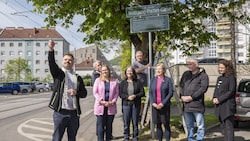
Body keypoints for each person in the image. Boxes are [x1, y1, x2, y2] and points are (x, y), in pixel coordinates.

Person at [48, 39, 88, 141]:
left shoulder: (78, 77)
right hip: (60, 112)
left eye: (70, 60)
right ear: (62, 61)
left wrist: (76, 92)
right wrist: (51, 49)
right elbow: (52, 64)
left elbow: (84, 93)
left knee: (72, 138)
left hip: (74, 113)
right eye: (65, 59)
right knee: (57, 138)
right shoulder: (59, 74)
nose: (67, 61)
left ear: (73, 62)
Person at [179, 59, 209, 141]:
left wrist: (192, 97)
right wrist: (181, 96)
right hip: (186, 105)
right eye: (187, 64)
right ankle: (190, 138)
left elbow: (203, 88)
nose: (188, 66)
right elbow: (181, 85)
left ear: (196, 65)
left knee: (200, 125)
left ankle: (199, 139)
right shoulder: (186, 74)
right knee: (189, 124)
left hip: (197, 104)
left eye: (190, 64)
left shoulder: (203, 75)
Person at [93, 64, 119, 141]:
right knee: (100, 126)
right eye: (103, 70)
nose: (105, 71)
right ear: (101, 71)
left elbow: (116, 93)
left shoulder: (114, 81)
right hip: (100, 106)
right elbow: (95, 92)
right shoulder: (98, 80)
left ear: (109, 71)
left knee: (109, 126)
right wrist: (102, 101)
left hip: (111, 106)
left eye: (106, 70)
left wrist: (113, 101)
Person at [119, 66, 145, 141]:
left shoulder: (138, 82)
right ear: (125, 73)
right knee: (126, 122)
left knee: (135, 122)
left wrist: (135, 96)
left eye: (131, 71)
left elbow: (142, 92)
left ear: (133, 72)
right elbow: (120, 94)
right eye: (128, 71)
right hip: (126, 105)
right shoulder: (123, 83)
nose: (129, 73)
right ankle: (126, 137)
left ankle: (135, 137)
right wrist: (127, 97)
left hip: (136, 105)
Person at [149, 63, 174, 141]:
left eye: (159, 69)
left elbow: (170, 93)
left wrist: (163, 103)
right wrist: (153, 102)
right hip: (155, 106)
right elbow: (150, 92)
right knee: (158, 124)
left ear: (163, 70)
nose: (158, 70)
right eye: (157, 69)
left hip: (164, 106)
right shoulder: (153, 80)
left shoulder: (168, 80)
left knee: (166, 124)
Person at [213, 60, 236, 141]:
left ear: (227, 68)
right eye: (219, 67)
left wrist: (219, 99)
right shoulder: (219, 78)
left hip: (228, 106)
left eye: (222, 67)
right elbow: (216, 90)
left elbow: (231, 91)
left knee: (229, 127)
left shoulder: (231, 78)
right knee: (223, 127)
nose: (220, 69)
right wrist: (215, 97)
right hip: (220, 106)